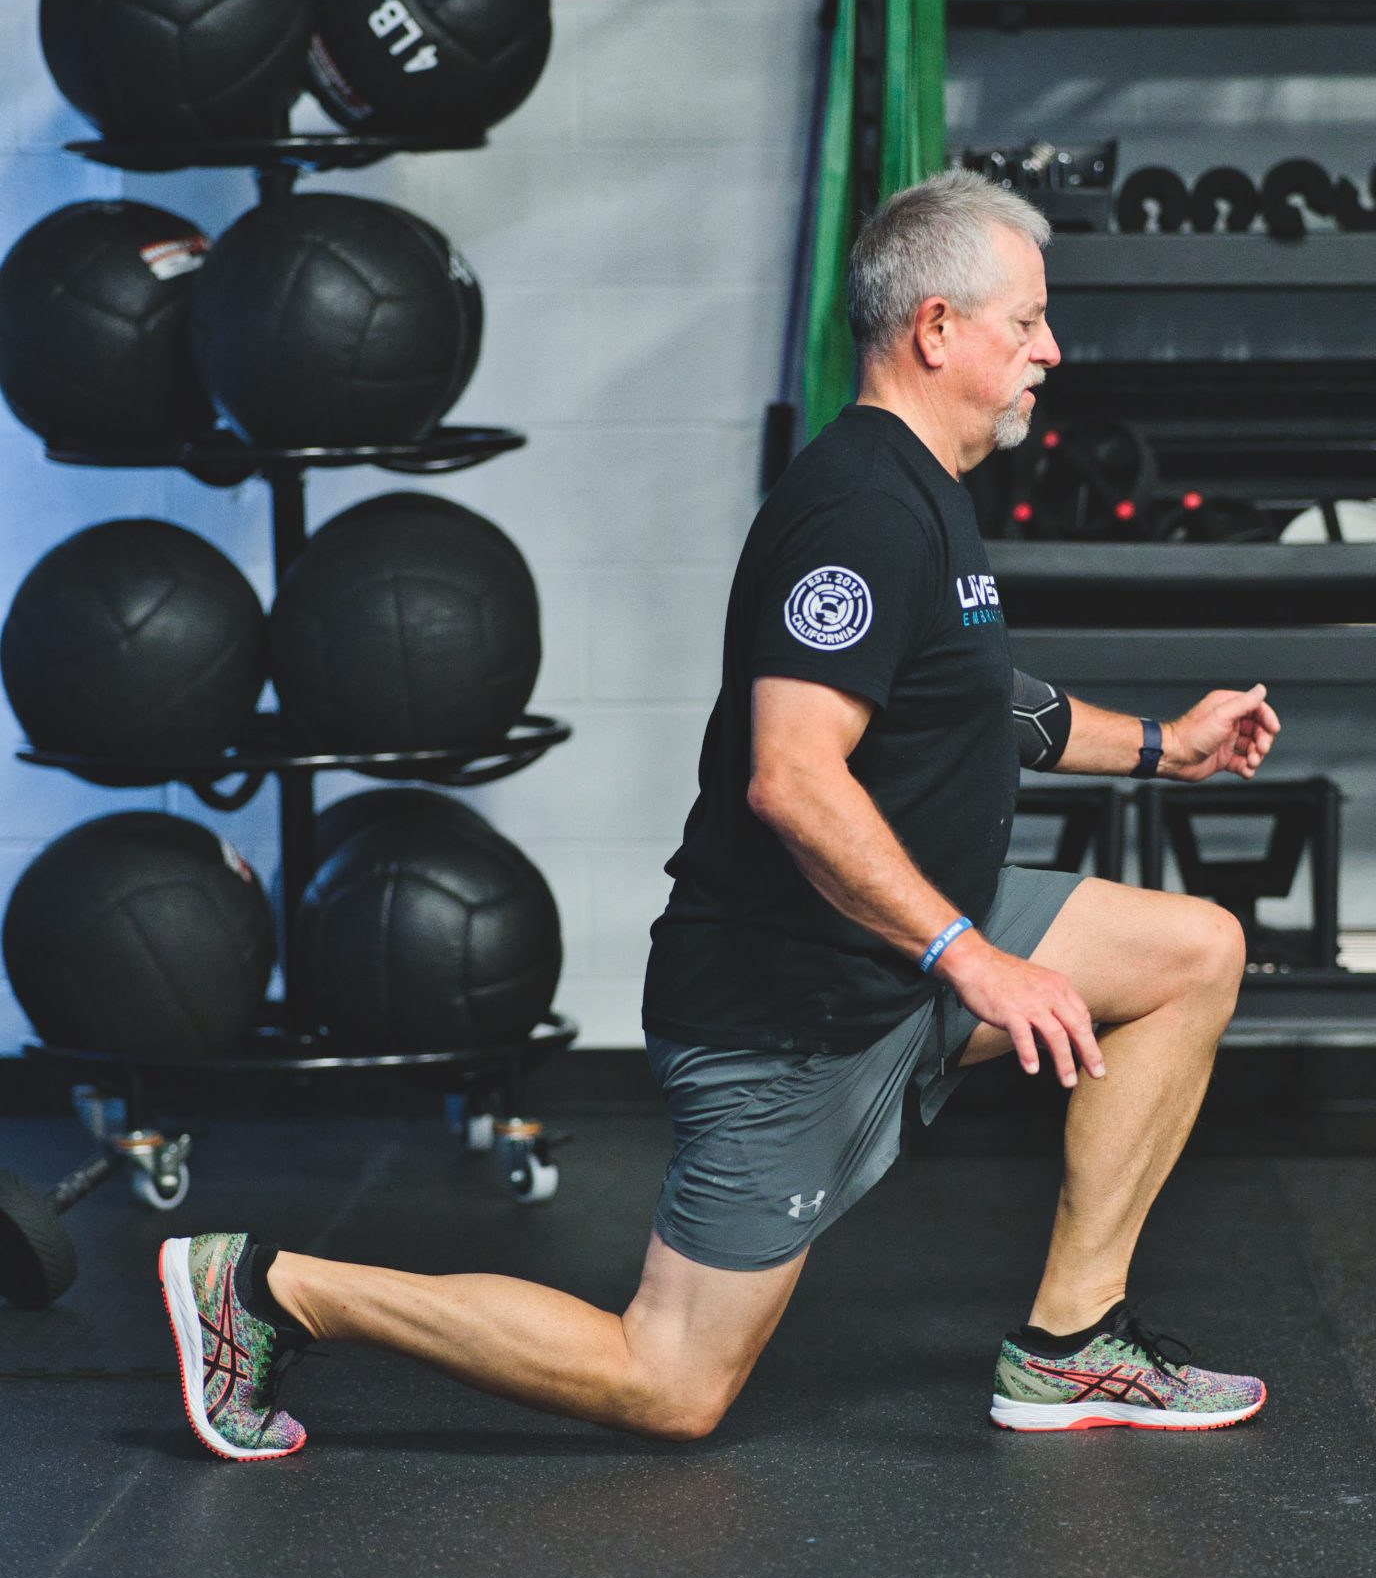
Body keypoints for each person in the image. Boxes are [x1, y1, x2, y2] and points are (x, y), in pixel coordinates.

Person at [159, 169, 1279, 1464]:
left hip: (900, 954)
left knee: (1193, 951)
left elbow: (975, 697)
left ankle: (1071, 1345)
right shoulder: (862, 510)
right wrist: (971, 957)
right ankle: (270, 1292)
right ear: (935, 329)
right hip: (787, 1007)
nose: (1050, 351)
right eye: (1026, 322)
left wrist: (1167, 748)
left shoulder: (926, 492)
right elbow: (791, 778)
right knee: (670, 1381)